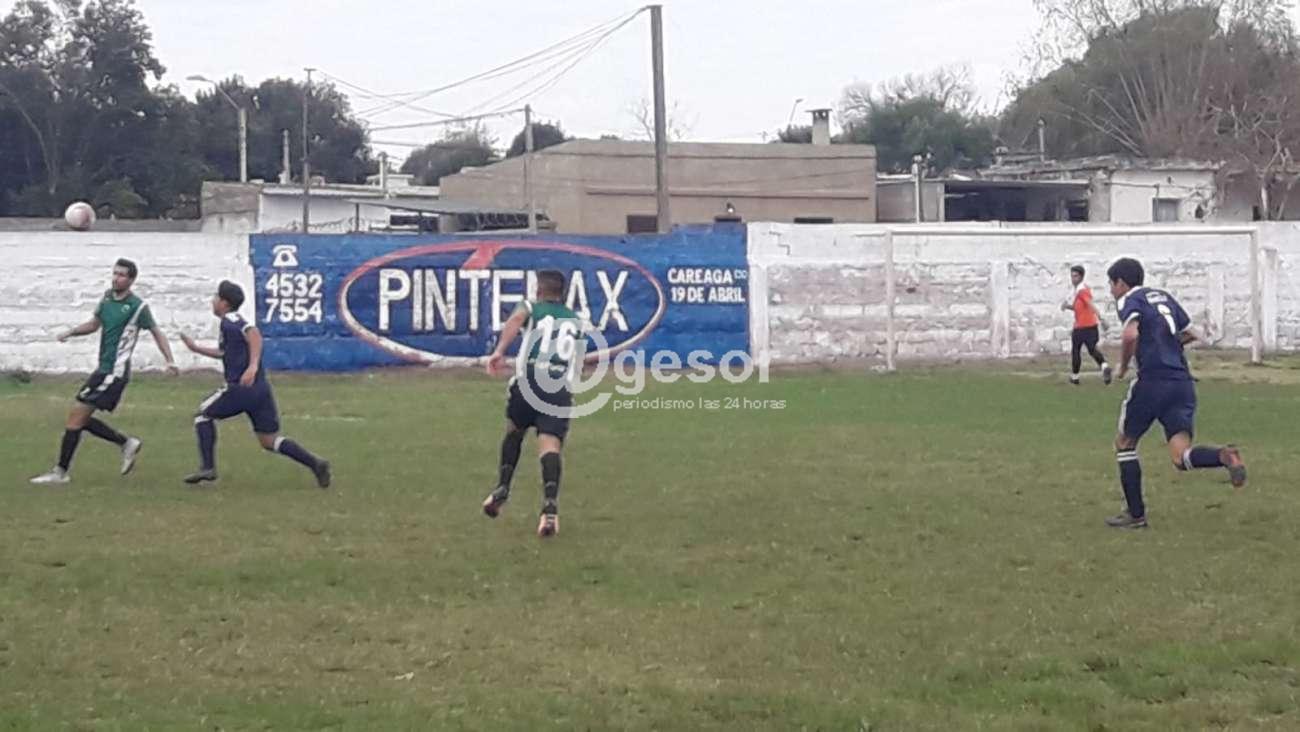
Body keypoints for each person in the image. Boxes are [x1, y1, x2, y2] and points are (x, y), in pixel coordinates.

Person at [1105, 257, 1246, 529]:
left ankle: (1135, 515)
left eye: (1111, 285)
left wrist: (1122, 366)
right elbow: (1192, 334)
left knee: (1125, 443)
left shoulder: (1130, 300)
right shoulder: (1164, 298)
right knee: (1181, 457)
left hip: (1152, 382)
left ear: (1121, 283)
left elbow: (1130, 335)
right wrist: (1166, 344)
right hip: (1182, 383)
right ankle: (1223, 456)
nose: (1111, 291)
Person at [31, 258, 178, 485]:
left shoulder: (138, 307)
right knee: (79, 418)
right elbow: (94, 324)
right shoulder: (107, 298)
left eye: (121, 275)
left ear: (131, 280)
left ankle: (61, 472)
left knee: (76, 418)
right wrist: (71, 332)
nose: (116, 278)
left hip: (115, 372)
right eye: (114, 273)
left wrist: (170, 360)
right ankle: (125, 443)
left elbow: (157, 332)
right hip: (103, 370)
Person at [179, 280, 331, 488]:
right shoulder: (228, 325)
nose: (212, 301)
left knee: (202, 416)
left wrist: (252, 366)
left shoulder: (230, 319)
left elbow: (253, 334)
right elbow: (224, 353)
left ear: (224, 303)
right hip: (260, 390)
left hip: (240, 389)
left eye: (216, 297)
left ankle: (208, 468)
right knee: (269, 441)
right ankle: (316, 463)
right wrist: (196, 349)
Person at [481, 270, 584, 538]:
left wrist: (499, 351)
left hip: (529, 381)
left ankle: (502, 487)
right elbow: (577, 361)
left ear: (539, 290)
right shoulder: (576, 321)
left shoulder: (531, 307)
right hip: (558, 387)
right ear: (562, 293)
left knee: (514, 431)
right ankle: (549, 508)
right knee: (550, 446)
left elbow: (516, 318)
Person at [1061, 264, 1112, 385]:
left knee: (1076, 351)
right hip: (1091, 326)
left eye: (1075, 276)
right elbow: (1080, 308)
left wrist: (1101, 318)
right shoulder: (1083, 290)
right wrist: (1068, 306)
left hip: (1081, 327)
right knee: (1092, 349)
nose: (1073, 279)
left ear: (1081, 277)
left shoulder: (1081, 291)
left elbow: (1090, 304)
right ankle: (1104, 366)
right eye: (1072, 276)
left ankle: (1075, 377)